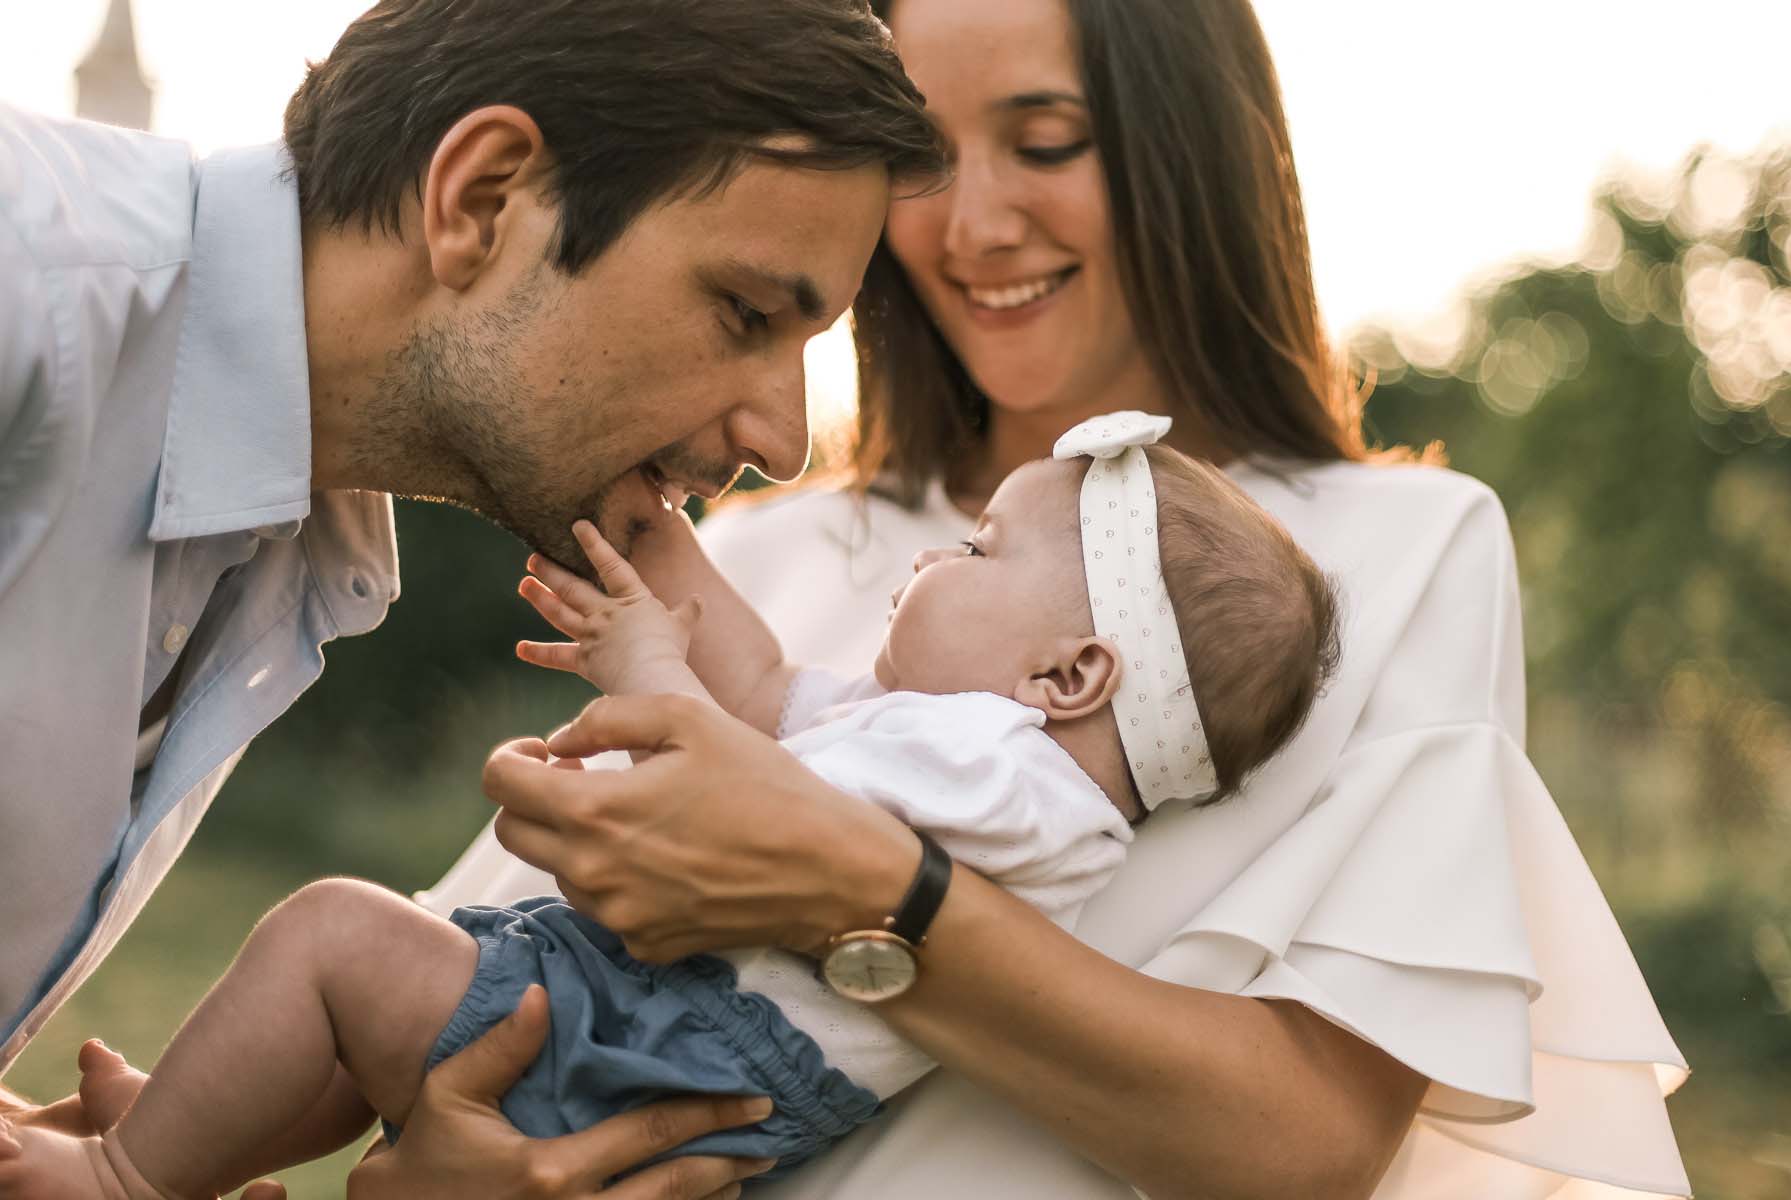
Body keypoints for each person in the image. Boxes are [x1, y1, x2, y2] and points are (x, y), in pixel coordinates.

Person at [435, 0, 1694, 1196]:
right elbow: (485, 964)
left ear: (1188, 149)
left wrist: (864, 890)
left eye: (1046, 143)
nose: (972, 223)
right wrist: (440, 1163)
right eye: (923, 156)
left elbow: (1305, 1152)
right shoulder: (753, 557)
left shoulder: (1397, 552)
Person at [0, 0, 943, 1195]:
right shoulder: (27, 291)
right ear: (483, 200)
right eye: (747, 314)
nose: (785, 437)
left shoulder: (287, 537)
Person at [0, 411, 1343, 1199]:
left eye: (982, 551)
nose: (938, 552)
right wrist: (647, 535)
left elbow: (749, 812)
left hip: (659, 1040)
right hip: (656, 1034)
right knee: (358, 1031)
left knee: (332, 940)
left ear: (1070, 673)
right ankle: (180, 1131)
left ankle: (123, 1183)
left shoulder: (1007, 773)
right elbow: (757, 683)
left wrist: (647, 673)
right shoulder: (954, 747)